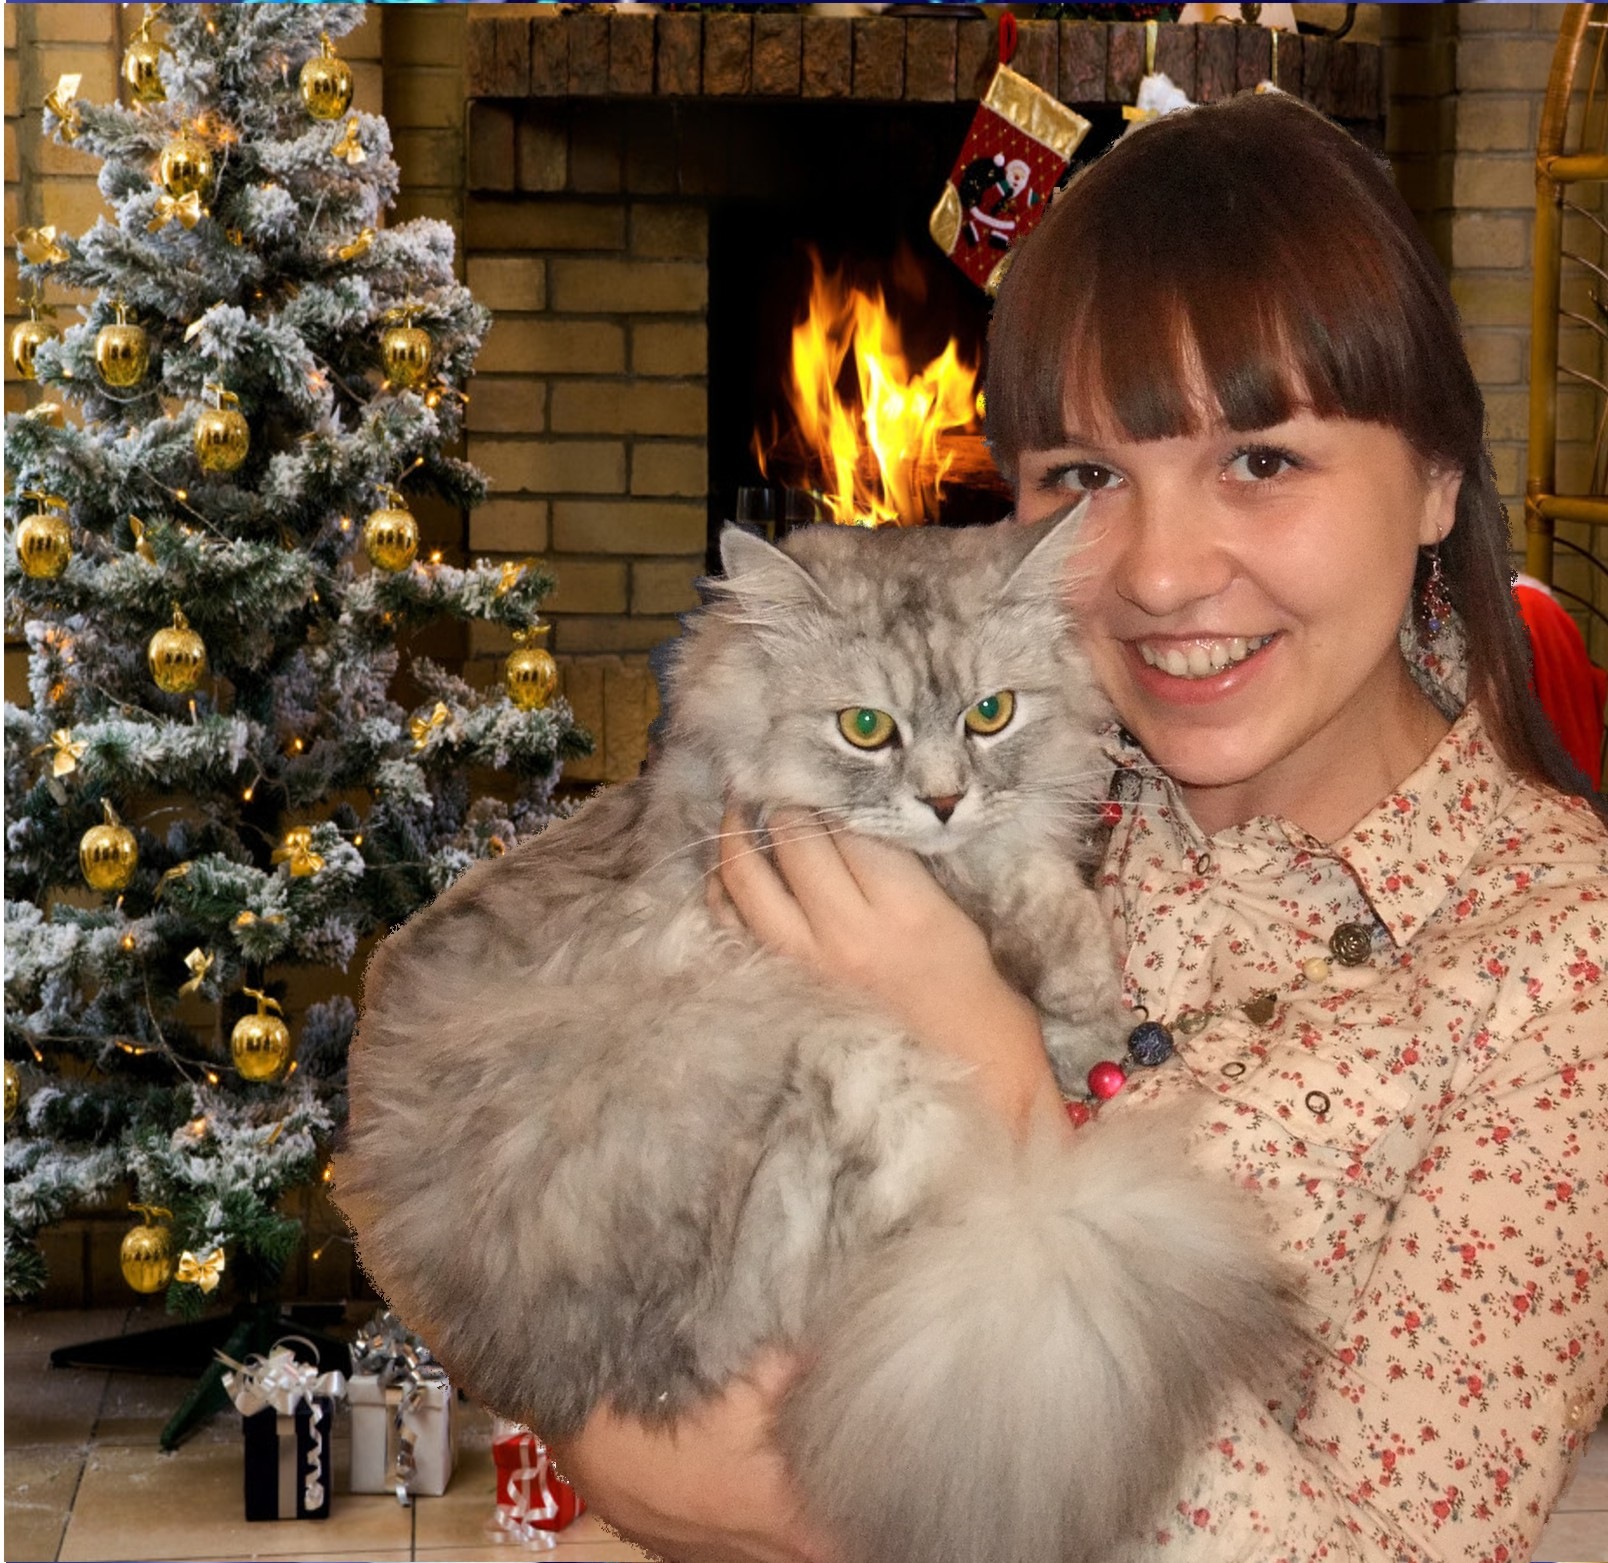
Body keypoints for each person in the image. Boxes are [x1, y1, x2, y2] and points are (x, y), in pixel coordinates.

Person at [550, 91, 1608, 1563]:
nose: (1159, 576)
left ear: (1436, 477)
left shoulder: (1558, 971)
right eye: (1089, 478)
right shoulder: (999, 771)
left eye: (1261, 460)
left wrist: (992, 1087)